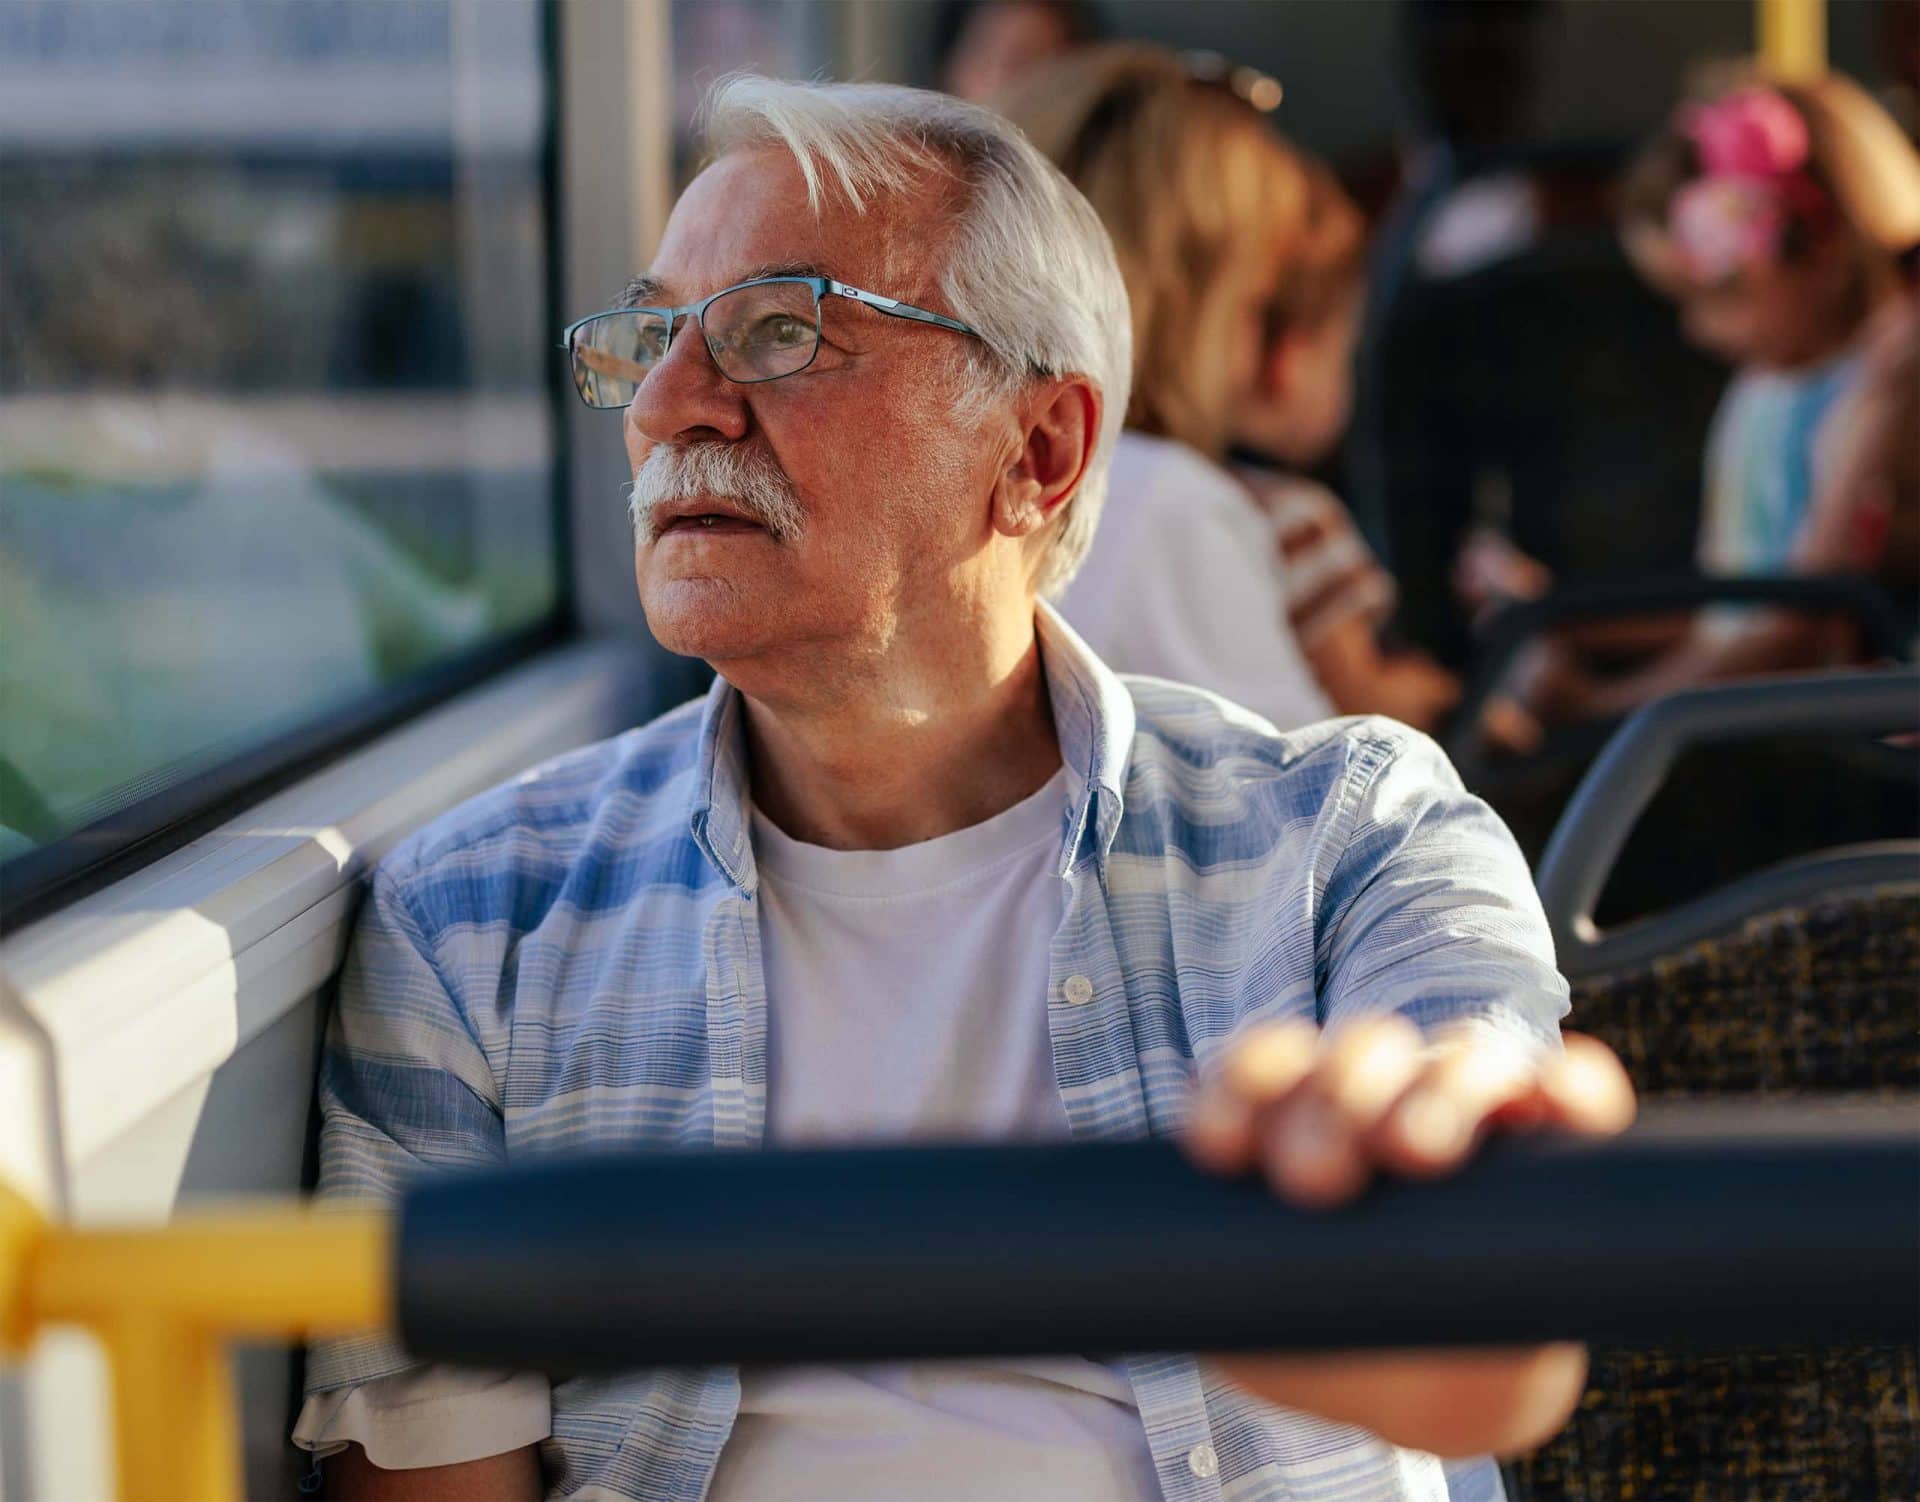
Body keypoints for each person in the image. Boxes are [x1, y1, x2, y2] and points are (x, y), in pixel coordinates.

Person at [292, 76, 1634, 1502]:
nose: (672, 405)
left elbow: (1494, 1332)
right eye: (652, 338)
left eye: (781, 329)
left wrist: (1429, 1221)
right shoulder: (472, 921)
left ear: (1039, 451)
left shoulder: (1348, 834)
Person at [1489, 69, 1920, 740]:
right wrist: (1562, 612)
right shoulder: (1763, 386)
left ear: (1825, 242)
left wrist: (1605, 710)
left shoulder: (1887, 379)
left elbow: (1799, 626)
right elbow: (1729, 606)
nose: (1698, 330)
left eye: (1723, 296)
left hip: (1834, 738)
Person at [1005, 45, 1336, 733]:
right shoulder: (1168, 506)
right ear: (1190, 308)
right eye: (1256, 306)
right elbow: (1301, 780)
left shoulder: (993, 470)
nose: (1259, 355)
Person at [1230, 155, 1464, 731]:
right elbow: (1361, 700)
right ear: (1288, 362)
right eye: (1342, 353)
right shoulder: (1294, 520)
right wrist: (1440, 693)